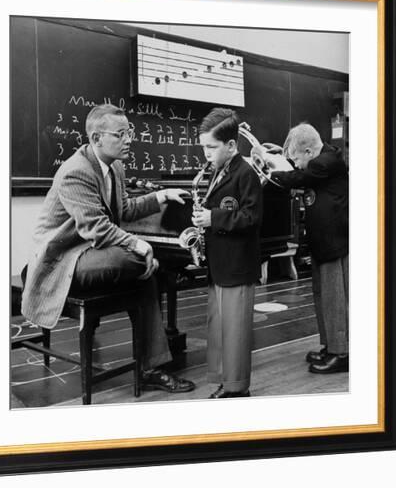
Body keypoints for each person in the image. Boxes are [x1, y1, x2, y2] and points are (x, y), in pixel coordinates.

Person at [21, 104, 195, 394]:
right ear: (96, 138)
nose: (129, 140)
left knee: (145, 269)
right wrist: (139, 244)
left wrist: (161, 195)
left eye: (130, 133)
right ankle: (150, 365)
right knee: (139, 258)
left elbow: (124, 210)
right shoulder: (75, 172)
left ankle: (150, 368)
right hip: (61, 260)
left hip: (89, 251)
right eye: (121, 134)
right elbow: (97, 228)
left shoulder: (115, 166)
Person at [191, 108, 263, 398]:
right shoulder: (217, 171)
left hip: (237, 264)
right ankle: (223, 379)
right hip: (220, 263)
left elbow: (251, 218)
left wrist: (213, 218)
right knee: (219, 326)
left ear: (231, 146)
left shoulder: (245, 174)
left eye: (212, 147)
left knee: (235, 330)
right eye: (204, 147)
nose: (206, 153)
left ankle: (237, 388)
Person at [268, 123, 349, 374]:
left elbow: (298, 177)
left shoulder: (326, 161)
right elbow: (300, 171)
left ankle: (342, 352)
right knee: (321, 297)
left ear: (308, 151)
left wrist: (269, 167)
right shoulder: (319, 161)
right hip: (321, 243)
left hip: (333, 243)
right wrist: (277, 156)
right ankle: (330, 345)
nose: (296, 164)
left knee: (335, 300)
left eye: (296, 159)